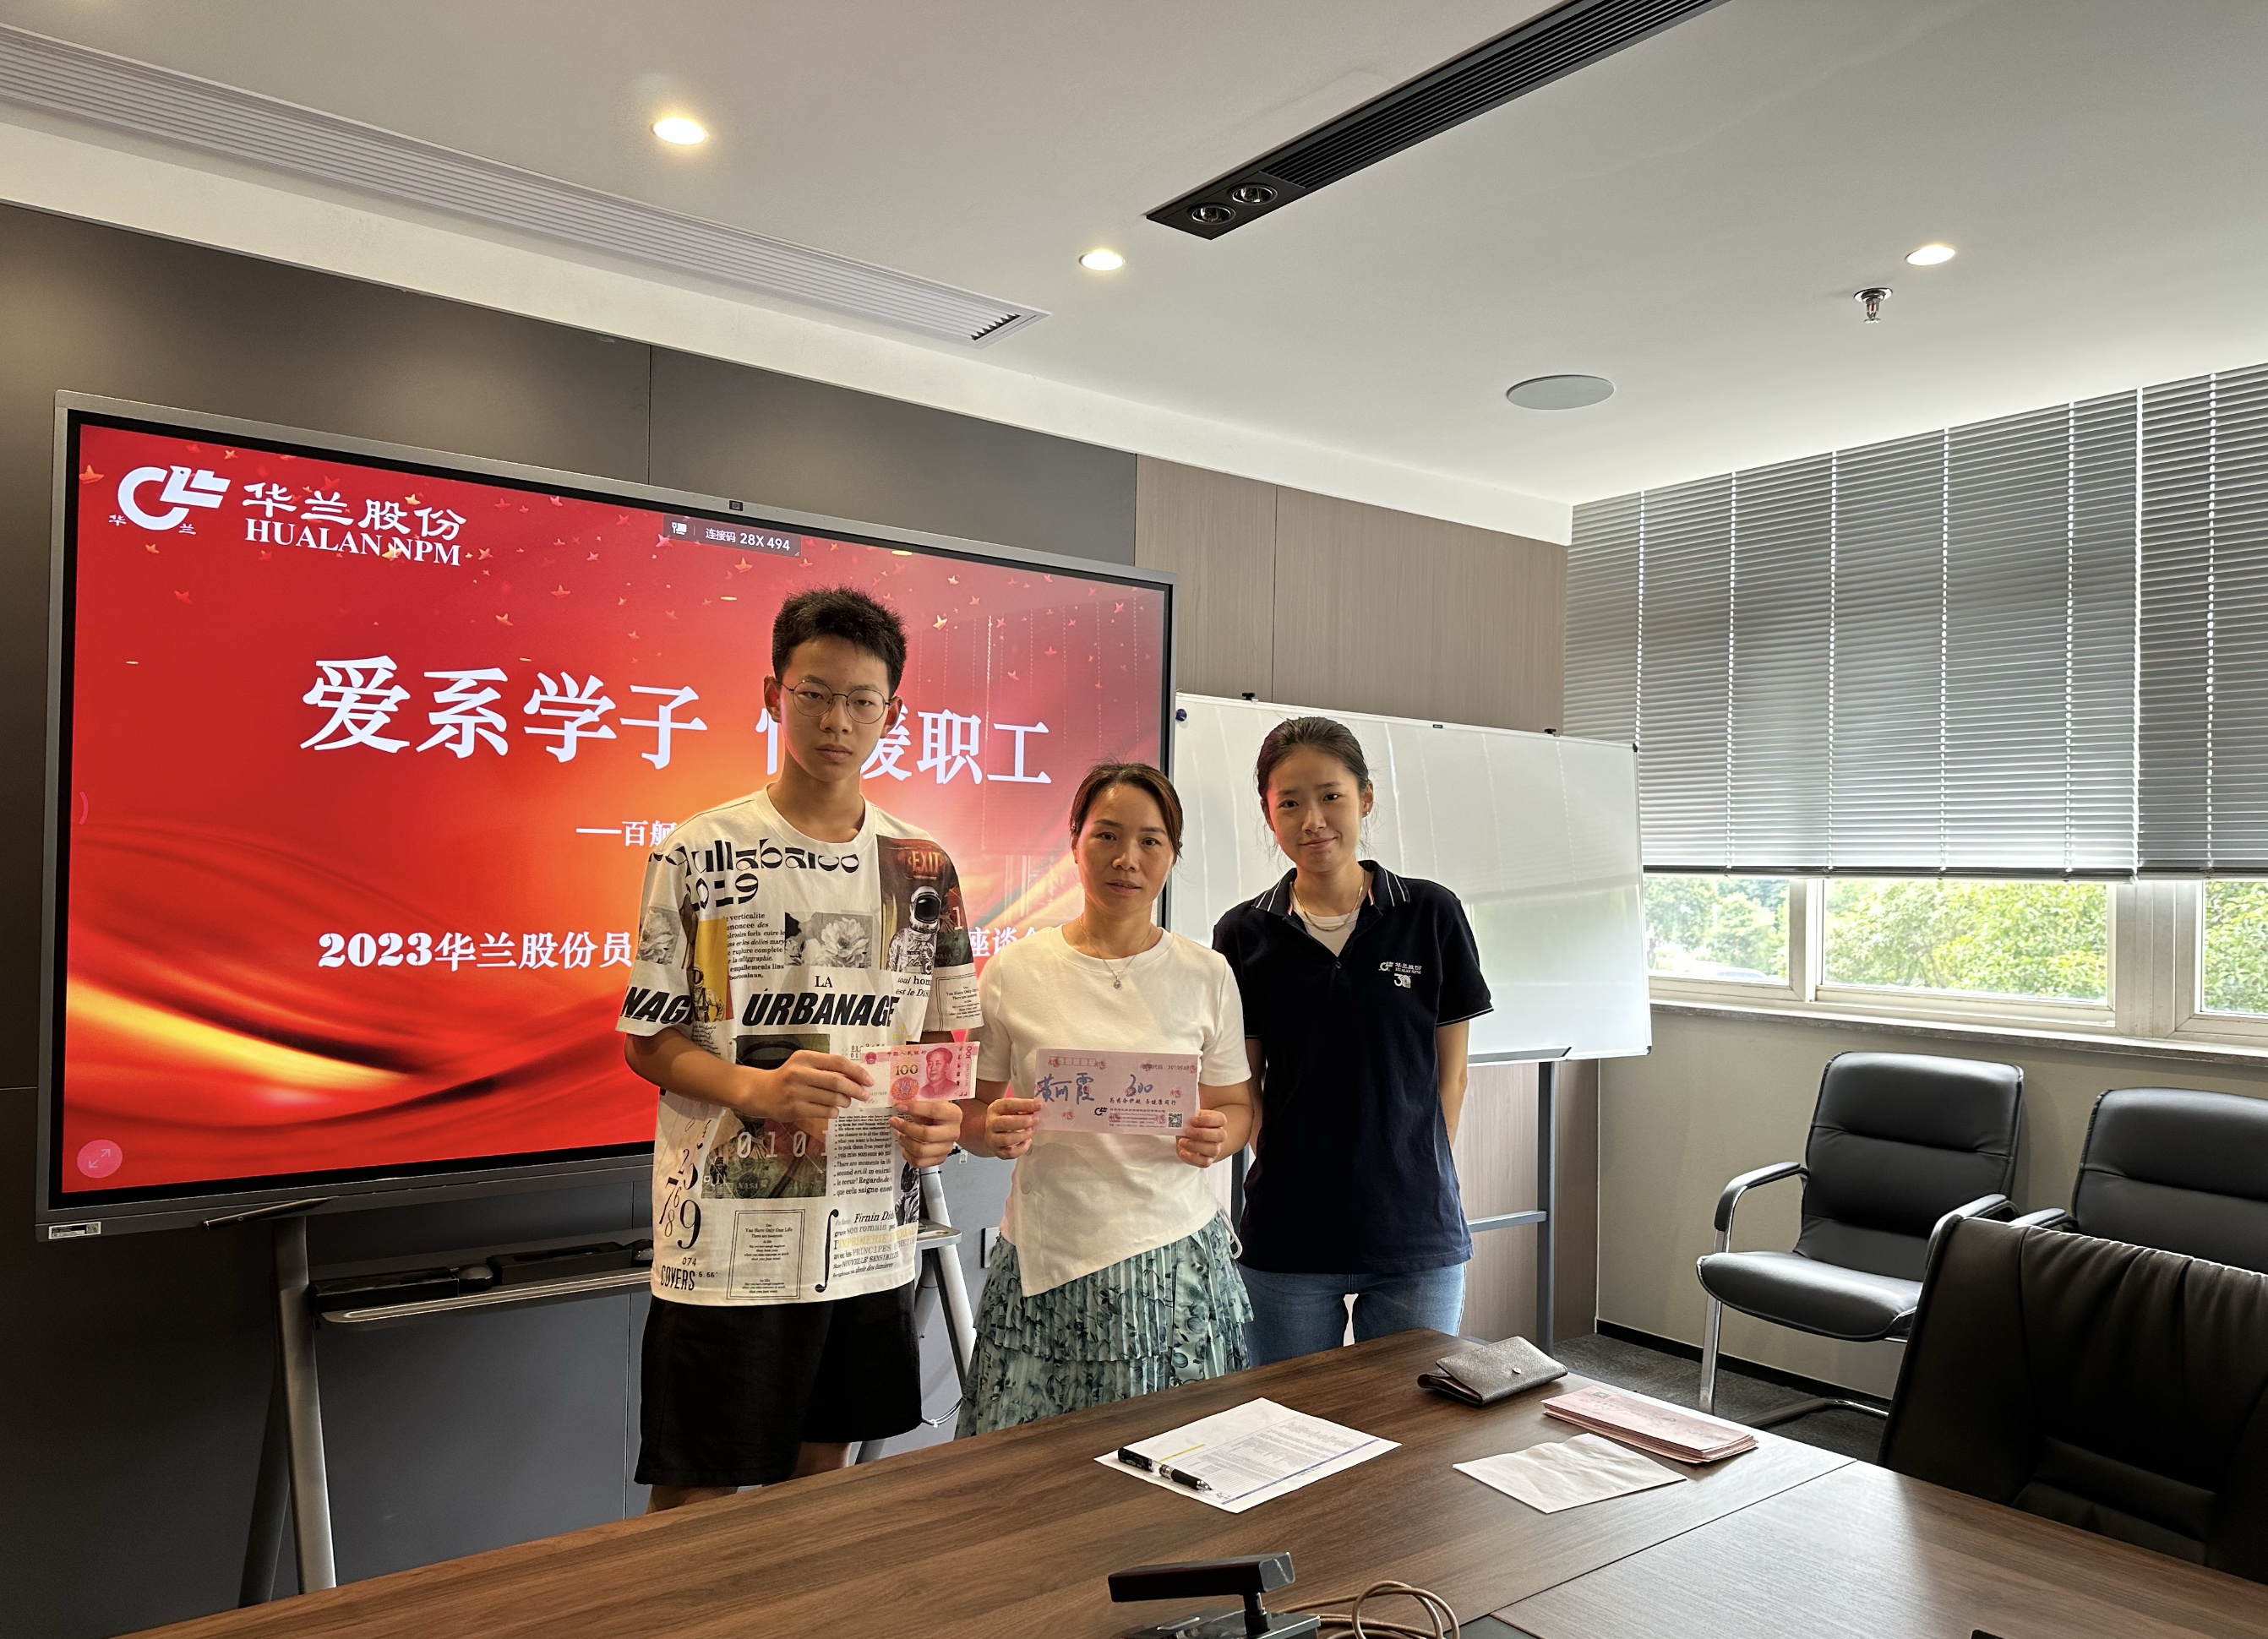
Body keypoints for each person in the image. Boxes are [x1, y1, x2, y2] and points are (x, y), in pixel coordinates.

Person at [617, 586, 979, 1509]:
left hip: (869, 1234)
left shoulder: (923, 867)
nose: (837, 721)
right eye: (815, 694)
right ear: (774, 693)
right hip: (728, 1240)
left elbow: (942, 1045)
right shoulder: (698, 851)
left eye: (862, 701)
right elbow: (649, 1041)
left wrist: (943, 1120)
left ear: (893, 712)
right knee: (695, 1496)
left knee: (820, 1494)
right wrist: (755, 1089)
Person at [955, 764, 1255, 1434]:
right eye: (1108, 836)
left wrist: (1220, 1136)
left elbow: (1237, 1106)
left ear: (1173, 855)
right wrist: (988, 1130)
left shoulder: (1206, 974)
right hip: (1044, 1260)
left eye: (1151, 841)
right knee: (1027, 1471)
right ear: (1075, 842)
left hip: (1172, 1261)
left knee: (1170, 1463)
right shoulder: (1014, 971)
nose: (1128, 858)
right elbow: (970, 1110)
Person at [1213, 716, 1491, 1364]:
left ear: (1365, 799)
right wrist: (1291, 1167)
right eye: (1290, 803)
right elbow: (1245, 1087)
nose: (1313, 820)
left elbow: (1451, 1074)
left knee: (1409, 1416)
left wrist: (1412, 1175)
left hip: (1414, 1235)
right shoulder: (1243, 933)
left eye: (1330, 796)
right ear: (1269, 815)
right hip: (1287, 1231)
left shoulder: (1430, 913)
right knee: (1285, 1415)